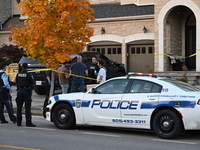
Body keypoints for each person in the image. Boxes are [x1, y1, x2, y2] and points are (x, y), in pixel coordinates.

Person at [16, 63, 36, 127]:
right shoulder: (28, 74)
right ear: (27, 67)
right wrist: (31, 89)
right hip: (26, 91)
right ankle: (28, 123)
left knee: (19, 107)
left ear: (22, 67)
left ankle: (19, 122)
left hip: (19, 91)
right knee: (27, 107)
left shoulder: (18, 74)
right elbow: (33, 83)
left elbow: (16, 82)